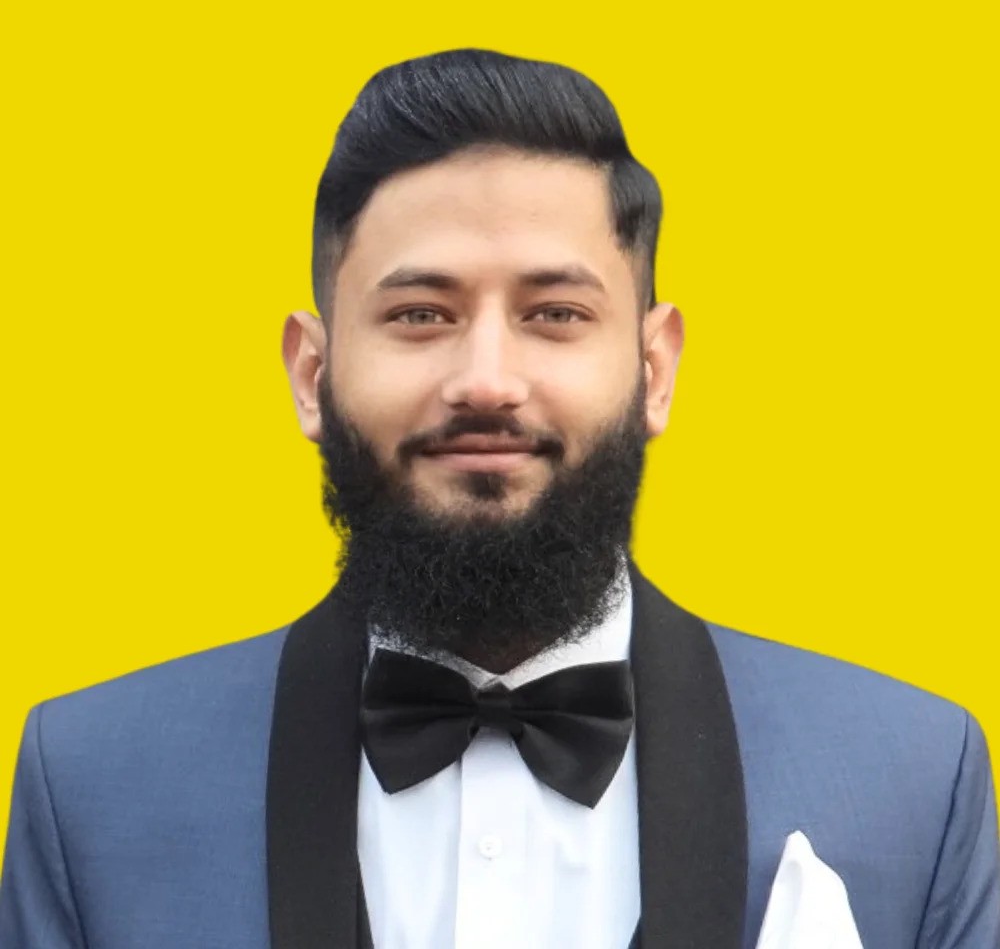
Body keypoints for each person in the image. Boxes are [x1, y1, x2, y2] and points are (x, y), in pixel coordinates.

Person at [0, 48, 997, 949]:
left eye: (554, 313)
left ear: (655, 369)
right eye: (419, 314)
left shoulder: (912, 781)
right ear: (312, 373)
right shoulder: (89, 788)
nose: (485, 380)